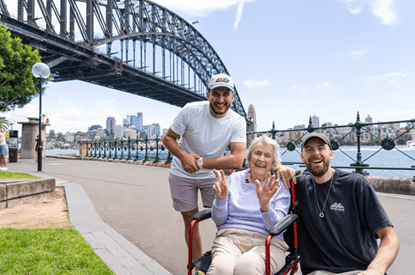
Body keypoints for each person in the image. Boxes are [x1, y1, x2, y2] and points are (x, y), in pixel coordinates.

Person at [163, 73, 295, 268]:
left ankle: (228, 256)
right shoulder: (190, 110)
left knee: (224, 220)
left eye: (226, 94)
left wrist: (199, 163)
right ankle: (196, 265)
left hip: (211, 173)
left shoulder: (237, 121)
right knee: (190, 220)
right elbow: (168, 138)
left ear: (233, 97)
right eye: (216, 94)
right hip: (182, 172)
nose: (221, 100)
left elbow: (238, 158)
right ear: (207, 95)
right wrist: (184, 157)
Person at [294, 132, 399, 275]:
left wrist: (375, 270)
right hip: (319, 271)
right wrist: (280, 169)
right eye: (309, 150)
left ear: (331, 154)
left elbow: (389, 236)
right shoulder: (298, 186)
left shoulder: (355, 184)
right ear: (302, 157)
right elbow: (263, 172)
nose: (315, 153)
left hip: (360, 270)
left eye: (320, 148)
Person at [207, 135, 290, 275]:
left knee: (246, 267)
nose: (261, 159)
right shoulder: (234, 178)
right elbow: (219, 220)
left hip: (268, 242)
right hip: (230, 238)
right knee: (221, 269)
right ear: (250, 157)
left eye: (267, 155)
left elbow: (277, 228)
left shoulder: (279, 184)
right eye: (257, 153)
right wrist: (220, 199)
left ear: (273, 162)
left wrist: (265, 206)